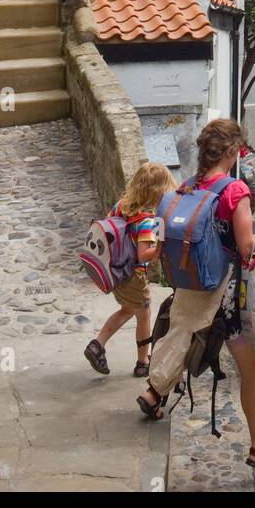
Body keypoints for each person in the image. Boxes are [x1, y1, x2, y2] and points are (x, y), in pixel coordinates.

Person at [136, 118, 255, 482]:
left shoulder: (188, 187)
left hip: (194, 282)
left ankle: (152, 393)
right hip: (228, 295)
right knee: (250, 369)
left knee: (184, 334)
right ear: (230, 152)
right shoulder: (233, 191)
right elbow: (245, 246)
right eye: (239, 150)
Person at [84, 161, 177, 378]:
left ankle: (97, 345)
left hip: (115, 269)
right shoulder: (147, 220)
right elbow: (143, 254)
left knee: (127, 309)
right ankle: (142, 361)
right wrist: (160, 246)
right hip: (133, 274)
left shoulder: (121, 206)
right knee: (144, 312)